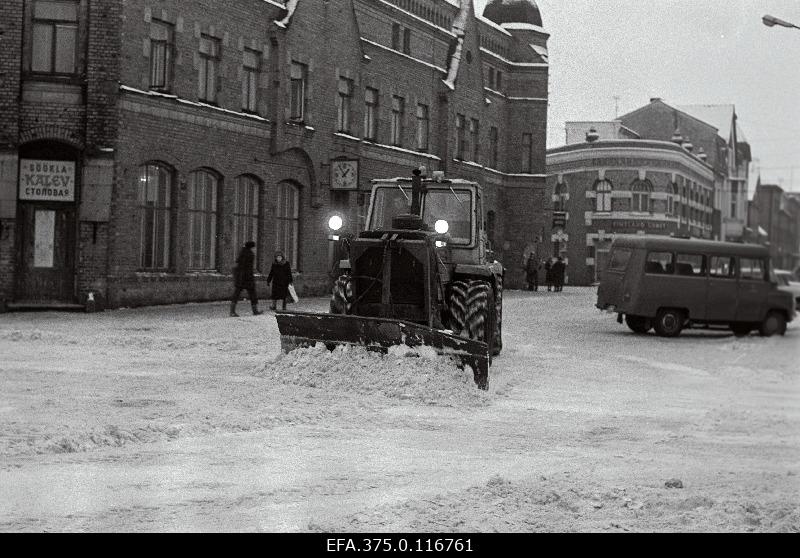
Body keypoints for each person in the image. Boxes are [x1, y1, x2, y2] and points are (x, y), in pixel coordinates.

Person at [230, 241, 262, 317]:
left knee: (236, 294)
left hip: (240, 277)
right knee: (252, 294)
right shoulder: (250, 254)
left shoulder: (242, 252)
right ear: (251, 247)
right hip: (248, 277)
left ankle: (232, 311)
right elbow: (249, 268)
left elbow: (237, 263)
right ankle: (255, 310)